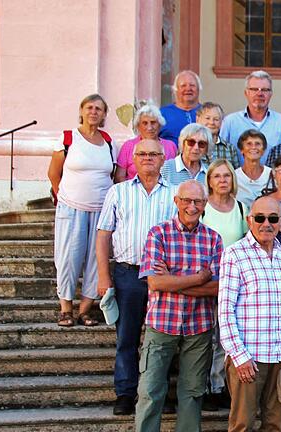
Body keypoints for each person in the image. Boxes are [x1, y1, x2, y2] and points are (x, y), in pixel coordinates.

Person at [134, 180, 224, 432]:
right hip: (162, 323)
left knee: (193, 393)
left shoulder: (213, 239)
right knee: (150, 390)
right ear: (176, 201)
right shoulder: (158, 233)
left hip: (199, 326)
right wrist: (198, 278)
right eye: (186, 200)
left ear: (205, 204)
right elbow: (154, 281)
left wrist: (172, 280)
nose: (191, 206)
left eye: (197, 201)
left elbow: (217, 288)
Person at [96, 138, 176, 415]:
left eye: (153, 154)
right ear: (133, 160)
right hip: (127, 272)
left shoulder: (174, 194)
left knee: (162, 340)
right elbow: (104, 234)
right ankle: (125, 393)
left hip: (163, 276)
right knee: (127, 337)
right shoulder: (118, 192)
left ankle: (157, 393)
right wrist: (104, 276)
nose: (147, 158)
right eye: (141, 154)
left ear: (163, 159)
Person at [218, 196, 281, 432]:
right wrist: (238, 355)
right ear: (249, 220)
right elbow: (225, 311)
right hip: (248, 358)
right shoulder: (234, 254)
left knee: (275, 425)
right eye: (260, 217)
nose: (266, 223)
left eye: (273, 218)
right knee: (242, 425)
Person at [47, 93, 115, 328]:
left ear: (104, 114)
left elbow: (112, 174)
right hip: (72, 209)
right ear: (82, 110)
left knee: (97, 261)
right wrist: (64, 197)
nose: (93, 112)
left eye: (98, 108)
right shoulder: (68, 138)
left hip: (101, 211)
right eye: (89, 107)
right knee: (68, 258)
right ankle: (66, 309)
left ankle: (85, 309)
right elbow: (53, 173)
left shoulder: (107, 140)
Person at [200, 158, 249, 411]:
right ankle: (208, 386)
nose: (222, 180)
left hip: (234, 282)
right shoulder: (202, 208)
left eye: (226, 176)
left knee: (227, 337)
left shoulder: (241, 208)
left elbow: (244, 242)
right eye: (217, 176)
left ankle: (223, 386)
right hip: (207, 281)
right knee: (208, 337)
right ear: (209, 180)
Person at [219, 70, 281, 164]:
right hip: (238, 178)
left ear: (271, 94)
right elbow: (221, 154)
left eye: (264, 90)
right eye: (254, 89)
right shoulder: (230, 122)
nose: (259, 94)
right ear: (246, 93)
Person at [114, 103, 178, 182]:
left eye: (153, 122)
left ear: (160, 125)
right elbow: (119, 177)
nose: (149, 127)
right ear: (138, 126)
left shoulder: (170, 146)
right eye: (145, 123)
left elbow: (175, 174)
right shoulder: (129, 146)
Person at [159, 70, 203, 145]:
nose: (188, 89)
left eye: (192, 85)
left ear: (199, 89)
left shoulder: (207, 113)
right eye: (183, 86)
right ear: (175, 90)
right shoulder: (162, 114)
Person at [233, 129, 272, 207]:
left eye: (258, 144)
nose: (253, 147)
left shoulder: (272, 175)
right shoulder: (234, 176)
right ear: (241, 150)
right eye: (249, 144)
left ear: (263, 150)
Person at [196, 102, 241, 169]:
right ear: (198, 119)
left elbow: (236, 175)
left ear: (222, 122)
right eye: (207, 118)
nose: (211, 122)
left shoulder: (229, 149)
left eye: (216, 119)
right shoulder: (189, 145)